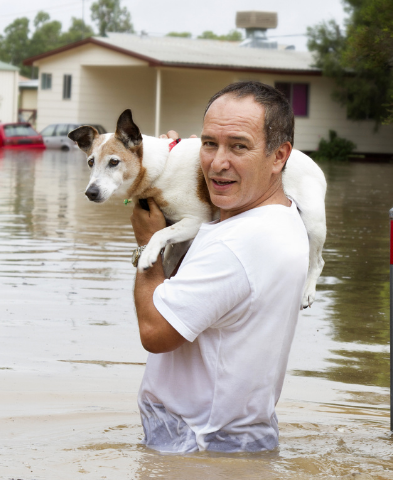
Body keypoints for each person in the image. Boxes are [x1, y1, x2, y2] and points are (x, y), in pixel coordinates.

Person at [129, 81, 309, 453]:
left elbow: (155, 331)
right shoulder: (284, 217)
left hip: (197, 448)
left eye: (239, 146)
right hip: (241, 438)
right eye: (209, 143)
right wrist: (172, 176)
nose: (217, 162)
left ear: (279, 156)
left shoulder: (236, 244)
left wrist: (147, 246)